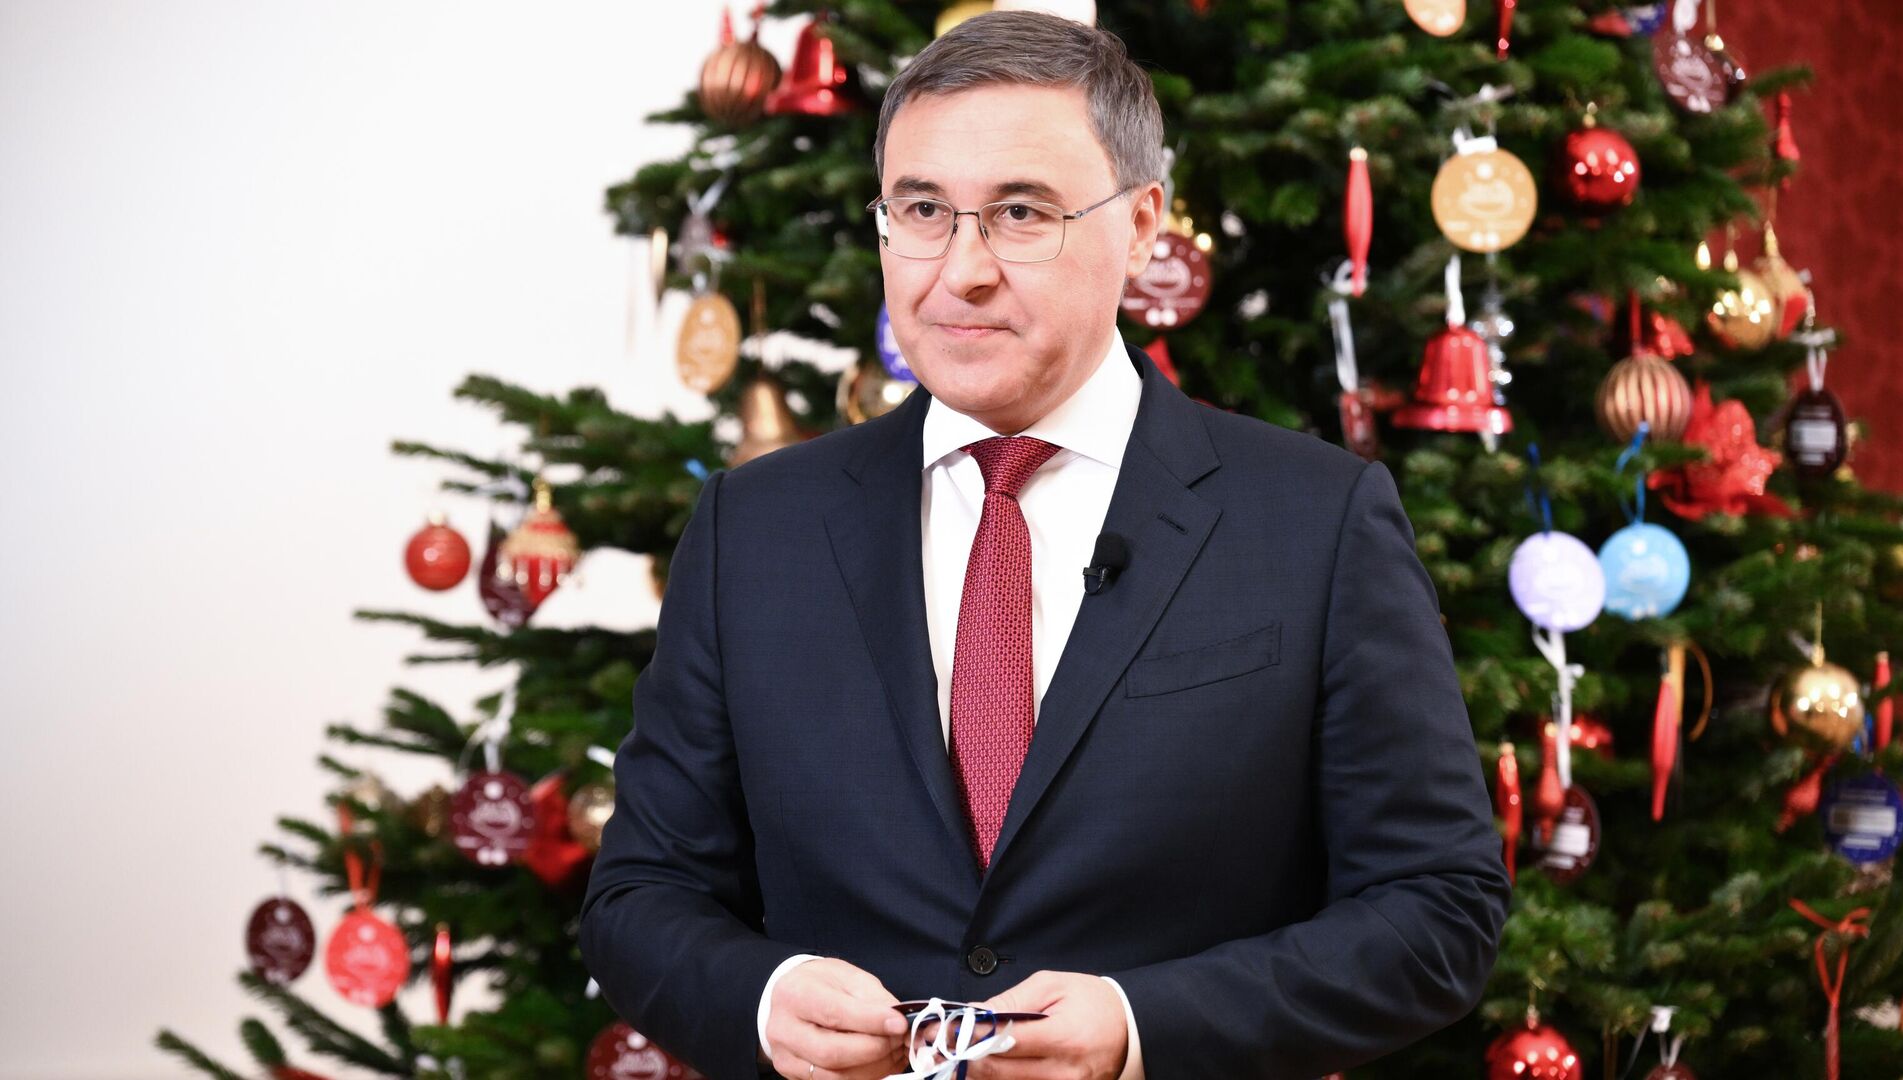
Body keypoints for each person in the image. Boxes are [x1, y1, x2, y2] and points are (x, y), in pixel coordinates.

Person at [580, 12, 1509, 1079]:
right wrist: (762, 999)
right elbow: (640, 895)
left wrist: (1140, 1026)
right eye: (921, 210)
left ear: (1143, 224)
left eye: (1020, 213)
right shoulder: (755, 528)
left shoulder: (1317, 522)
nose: (961, 270)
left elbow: (1439, 911)